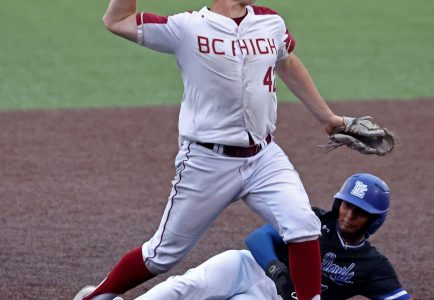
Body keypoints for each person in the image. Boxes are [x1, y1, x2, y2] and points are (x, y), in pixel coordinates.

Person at [74, 0, 358, 299]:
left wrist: (327, 118)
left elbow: (285, 60)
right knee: (161, 255)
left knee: (302, 224)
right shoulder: (186, 28)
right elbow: (116, 21)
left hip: (264, 157)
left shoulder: (270, 22)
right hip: (206, 161)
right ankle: (95, 297)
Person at [127, 173, 412, 300]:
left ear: (373, 220)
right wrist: (278, 271)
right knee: (185, 287)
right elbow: (259, 238)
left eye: (360, 212)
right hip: (249, 267)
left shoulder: (372, 264)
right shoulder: (311, 219)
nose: (349, 215)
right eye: (348, 205)